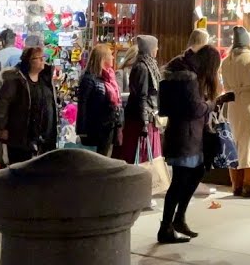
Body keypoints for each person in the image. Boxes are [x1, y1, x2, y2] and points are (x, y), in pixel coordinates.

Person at [157, 44, 233, 244]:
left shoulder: (178, 74)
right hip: (187, 136)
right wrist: (214, 102)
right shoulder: (189, 79)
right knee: (179, 182)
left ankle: (177, 220)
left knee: (195, 173)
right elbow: (195, 108)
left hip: (184, 134)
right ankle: (167, 226)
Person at [219, 26, 250, 198]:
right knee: (249, 146)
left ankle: (235, 185)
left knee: (234, 146)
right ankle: (248, 185)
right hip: (249, 106)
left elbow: (223, 86)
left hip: (232, 106)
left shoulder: (225, 61)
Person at [0, 46, 58, 165]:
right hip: (20, 134)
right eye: (38, 58)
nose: (42, 60)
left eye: (42, 57)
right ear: (29, 61)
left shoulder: (45, 79)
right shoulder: (15, 79)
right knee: (20, 169)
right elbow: (2, 104)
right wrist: (1, 127)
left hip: (43, 135)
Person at [113, 35, 163, 164]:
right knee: (142, 155)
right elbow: (142, 96)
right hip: (141, 119)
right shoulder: (142, 67)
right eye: (155, 46)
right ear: (150, 48)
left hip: (144, 117)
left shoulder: (147, 65)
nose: (157, 49)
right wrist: (144, 122)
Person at [76, 44, 123, 156]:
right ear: (103, 58)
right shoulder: (88, 79)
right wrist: (81, 130)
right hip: (95, 128)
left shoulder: (109, 78)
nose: (112, 57)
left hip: (109, 126)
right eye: (110, 55)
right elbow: (82, 105)